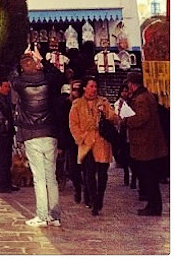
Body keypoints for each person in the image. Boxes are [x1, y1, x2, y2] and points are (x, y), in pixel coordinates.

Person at [10, 48, 62, 227]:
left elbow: (12, 74)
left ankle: (42, 215)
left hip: (32, 134)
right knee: (51, 177)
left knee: (39, 178)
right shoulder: (48, 81)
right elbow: (58, 74)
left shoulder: (20, 84)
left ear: (23, 68)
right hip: (49, 132)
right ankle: (54, 216)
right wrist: (42, 60)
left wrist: (22, 59)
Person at [68, 76, 120, 216]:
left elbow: (115, 119)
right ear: (85, 88)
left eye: (95, 86)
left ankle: (99, 198)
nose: (94, 89)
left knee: (102, 174)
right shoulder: (77, 104)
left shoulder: (103, 102)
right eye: (91, 86)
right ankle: (92, 199)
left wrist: (106, 113)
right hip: (86, 143)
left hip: (102, 142)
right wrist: (80, 138)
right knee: (89, 173)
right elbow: (73, 124)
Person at [124, 72, 168, 216]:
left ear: (131, 83)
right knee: (150, 177)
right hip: (148, 143)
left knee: (148, 176)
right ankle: (153, 205)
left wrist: (126, 120)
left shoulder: (141, 99)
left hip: (145, 145)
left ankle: (153, 206)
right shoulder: (146, 95)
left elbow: (141, 118)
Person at [0, 79, 19, 193]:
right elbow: (1, 119)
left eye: (8, 87)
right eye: (5, 86)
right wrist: (6, 130)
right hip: (2, 135)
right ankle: (2, 185)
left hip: (6, 134)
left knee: (7, 159)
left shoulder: (4, 99)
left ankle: (7, 183)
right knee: (3, 159)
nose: (7, 89)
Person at [113, 83, 134, 188]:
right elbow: (117, 118)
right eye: (123, 91)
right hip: (122, 132)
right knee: (125, 154)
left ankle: (133, 178)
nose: (125, 93)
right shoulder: (118, 104)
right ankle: (126, 174)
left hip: (131, 132)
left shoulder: (132, 102)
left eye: (126, 91)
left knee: (132, 156)